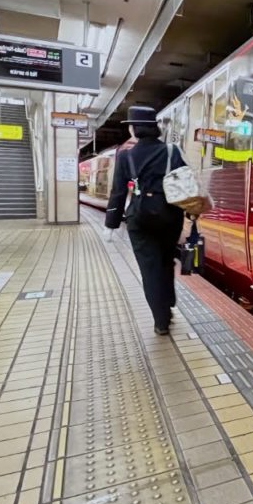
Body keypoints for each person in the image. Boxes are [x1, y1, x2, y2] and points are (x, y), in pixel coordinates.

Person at [104, 106, 187, 335]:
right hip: (170, 216)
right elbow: (186, 183)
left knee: (150, 270)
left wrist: (111, 224)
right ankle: (168, 302)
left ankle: (161, 321)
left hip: (140, 218)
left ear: (134, 128)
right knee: (166, 261)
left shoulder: (126, 156)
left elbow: (118, 192)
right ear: (154, 128)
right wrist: (192, 210)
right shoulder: (172, 151)